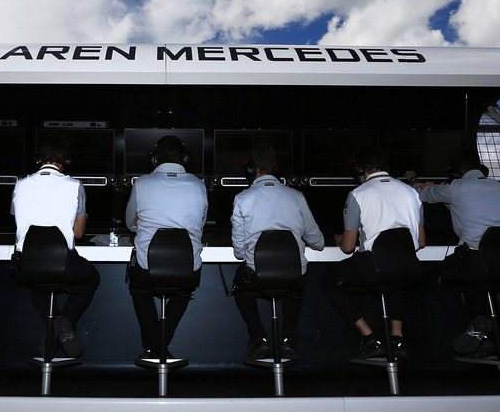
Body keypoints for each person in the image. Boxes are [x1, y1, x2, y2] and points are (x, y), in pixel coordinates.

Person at [322, 146, 424, 359]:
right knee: (396, 278)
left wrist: (342, 240)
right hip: (410, 267)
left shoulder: (358, 194)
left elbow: (349, 248)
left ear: (360, 169)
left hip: (373, 266)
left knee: (330, 279)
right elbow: (421, 242)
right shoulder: (411, 192)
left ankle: (369, 338)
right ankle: (397, 337)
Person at [416, 151, 500, 354]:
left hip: (476, 262)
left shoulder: (456, 188)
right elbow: (474, 209)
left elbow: (422, 194)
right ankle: (489, 338)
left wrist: (417, 183)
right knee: (476, 285)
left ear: (457, 173)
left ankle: (473, 328)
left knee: (433, 279)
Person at [231, 143, 325, 361]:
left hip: (257, 278)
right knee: (295, 284)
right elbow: (318, 242)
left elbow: (238, 251)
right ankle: (287, 340)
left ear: (251, 170)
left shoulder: (242, 199)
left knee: (240, 285)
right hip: (293, 277)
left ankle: (259, 338)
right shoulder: (297, 196)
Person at [11, 135, 100, 358]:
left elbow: (18, 221)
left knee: (36, 283)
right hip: (64, 263)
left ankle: (55, 325)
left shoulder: (20, 185)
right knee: (91, 278)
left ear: (38, 160)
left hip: (26, 265)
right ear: (65, 162)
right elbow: (78, 233)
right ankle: (63, 323)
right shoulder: (74, 186)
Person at [125, 135, 208, 360]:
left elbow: (129, 223)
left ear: (154, 160)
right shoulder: (198, 185)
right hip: (187, 270)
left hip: (146, 270)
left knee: (139, 289)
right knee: (183, 291)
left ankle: (154, 346)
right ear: (185, 159)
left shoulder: (141, 183)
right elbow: (199, 224)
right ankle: (160, 345)